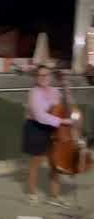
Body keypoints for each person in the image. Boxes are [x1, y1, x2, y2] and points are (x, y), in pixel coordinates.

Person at [22, 65, 73, 208]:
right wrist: (62, 121)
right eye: (40, 75)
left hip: (52, 128)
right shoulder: (34, 93)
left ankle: (55, 196)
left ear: (50, 76)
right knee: (36, 162)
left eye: (46, 75)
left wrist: (66, 87)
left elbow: (66, 105)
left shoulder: (55, 91)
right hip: (36, 127)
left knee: (55, 163)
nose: (44, 77)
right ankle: (32, 194)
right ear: (36, 78)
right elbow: (40, 116)